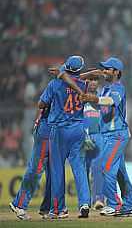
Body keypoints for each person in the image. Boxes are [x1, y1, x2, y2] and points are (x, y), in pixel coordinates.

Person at [81, 57, 132, 217]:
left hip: (117, 135)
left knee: (105, 167)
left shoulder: (118, 88)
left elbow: (110, 102)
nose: (104, 71)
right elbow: (80, 82)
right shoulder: (105, 88)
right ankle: (131, 204)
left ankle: (114, 204)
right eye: (104, 68)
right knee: (120, 173)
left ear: (116, 72)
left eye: (107, 69)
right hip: (107, 135)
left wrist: (94, 98)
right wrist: (92, 73)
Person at [39, 55, 91, 219]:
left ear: (66, 67)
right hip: (78, 129)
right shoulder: (84, 85)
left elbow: (41, 104)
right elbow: (82, 78)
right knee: (79, 168)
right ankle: (84, 203)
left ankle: (59, 209)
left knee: (57, 170)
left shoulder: (54, 84)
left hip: (59, 130)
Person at [9, 94, 52, 220]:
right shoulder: (56, 87)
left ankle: (47, 208)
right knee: (36, 170)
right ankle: (19, 204)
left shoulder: (64, 88)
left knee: (55, 172)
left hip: (54, 133)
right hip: (46, 132)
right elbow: (41, 105)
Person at [82, 77, 105, 210]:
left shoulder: (102, 95)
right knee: (83, 169)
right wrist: (83, 134)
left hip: (99, 135)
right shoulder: (80, 95)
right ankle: (85, 201)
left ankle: (99, 198)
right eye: (90, 79)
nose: (93, 82)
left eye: (95, 79)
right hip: (83, 135)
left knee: (98, 167)